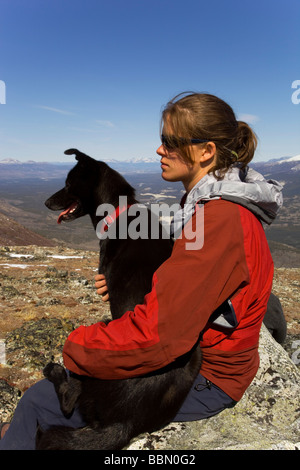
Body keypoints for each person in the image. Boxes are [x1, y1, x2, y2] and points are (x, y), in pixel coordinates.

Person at [0, 92, 283, 449]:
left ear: (206, 151)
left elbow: (160, 336)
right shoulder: (223, 205)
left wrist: (78, 345)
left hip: (207, 378)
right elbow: (197, 285)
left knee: (38, 401)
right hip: (211, 361)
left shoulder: (218, 221)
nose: (159, 150)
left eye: (170, 142)